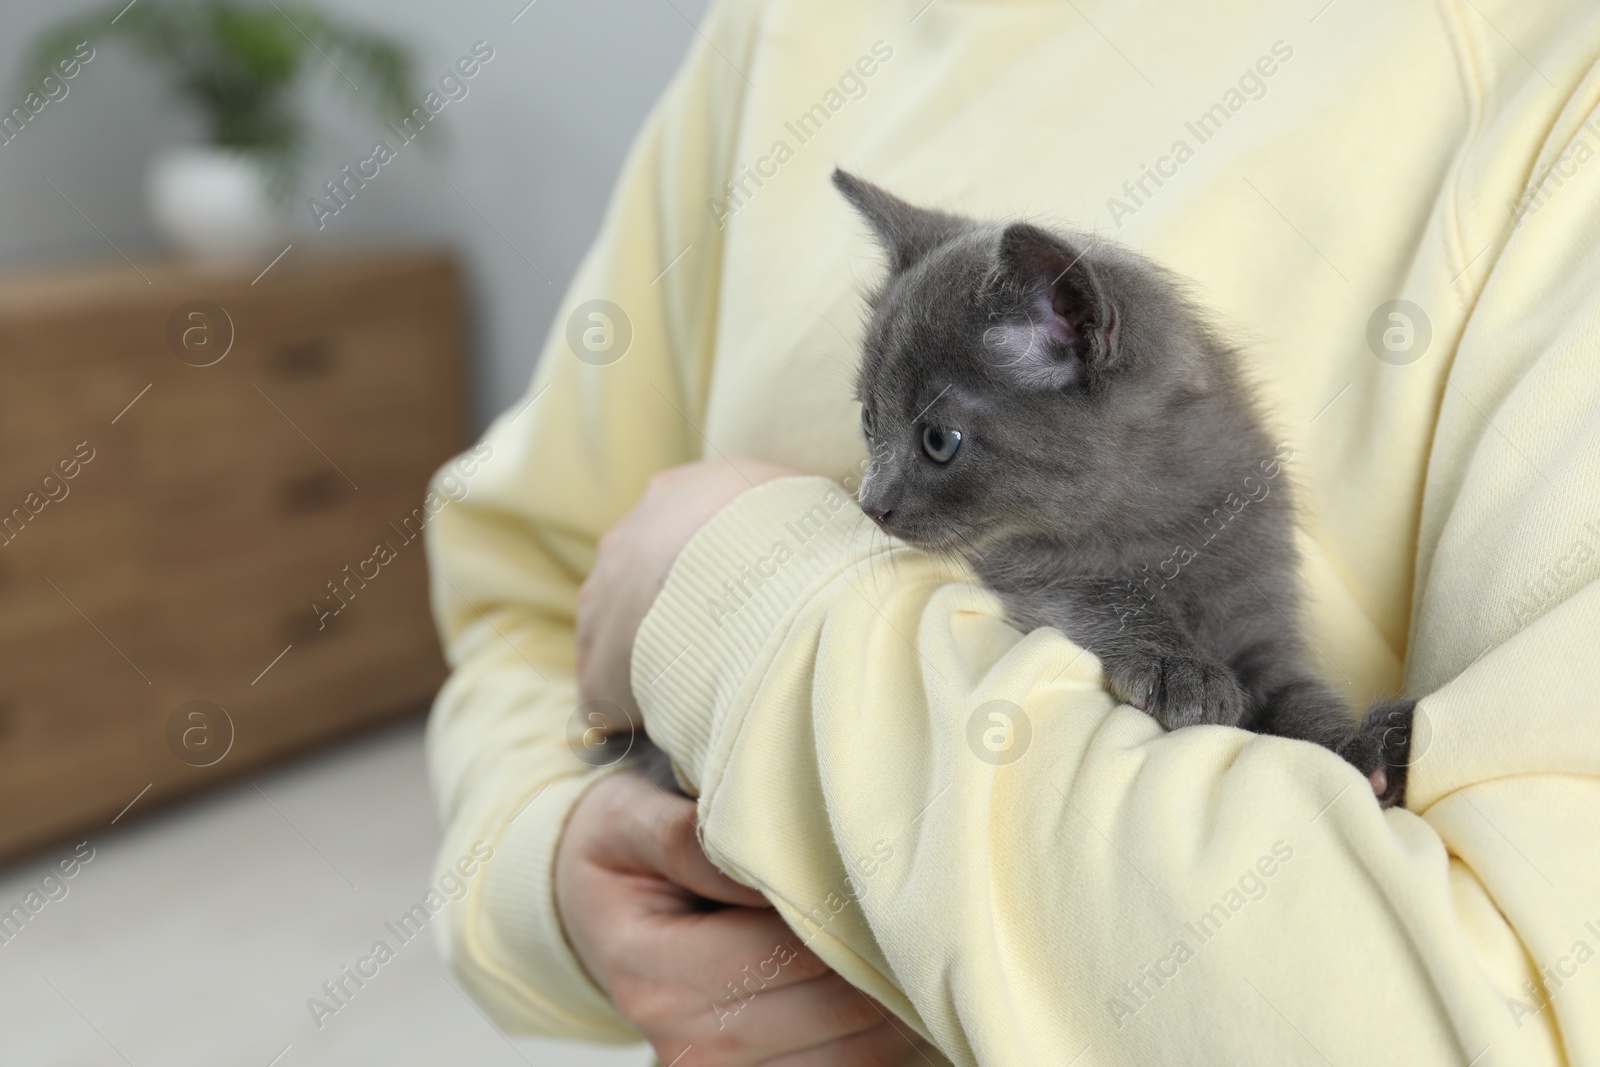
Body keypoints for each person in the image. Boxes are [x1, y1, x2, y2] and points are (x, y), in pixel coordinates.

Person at [423, 0, 1600, 1063]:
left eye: (932, 446)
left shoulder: (1551, 80)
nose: (875, 501)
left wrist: (740, 589)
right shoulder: (775, 35)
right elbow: (527, 585)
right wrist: (550, 862)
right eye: (875, 432)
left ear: (1075, 332)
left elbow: (1489, 1015)